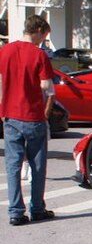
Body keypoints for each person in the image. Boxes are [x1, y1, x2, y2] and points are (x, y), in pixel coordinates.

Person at [0, 14, 56, 226]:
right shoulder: (38, 55)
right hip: (32, 115)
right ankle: (37, 208)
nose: (43, 40)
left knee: (13, 165)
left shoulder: (5, 51)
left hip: (10, 115)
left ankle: (15, 212)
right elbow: (45, 86)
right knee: (37, 165)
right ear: (39, 31)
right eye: (44, 36)